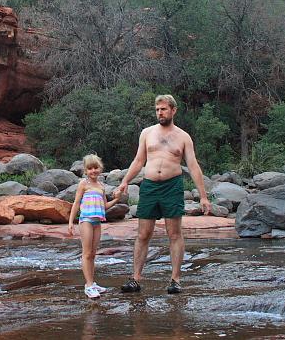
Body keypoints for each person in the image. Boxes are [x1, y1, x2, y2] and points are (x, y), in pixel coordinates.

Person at [115, 94, 211, 294]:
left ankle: (175, 280)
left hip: (172, 186)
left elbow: (193, 166)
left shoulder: (183, 137)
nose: (160, 113)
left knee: (174, 234)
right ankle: (135, 279)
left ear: (173, 110)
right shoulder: (147, 133)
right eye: (157, 109)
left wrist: (203, 196)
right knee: (143, 234)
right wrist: (124, 182)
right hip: (149, 186)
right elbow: (138, 161)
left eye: (164, 109)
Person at [67, 154, 123, 298]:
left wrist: (116, 199)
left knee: (93, 254)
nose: (93, 171)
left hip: (97, 222)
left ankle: (91, 283)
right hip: (85, 220)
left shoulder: (101, 186)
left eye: (96, 168)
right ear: (86, 171)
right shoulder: (83, 184)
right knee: (86, 253)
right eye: (90, 168)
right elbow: (76, 203)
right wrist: (71, 222)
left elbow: (104, 206)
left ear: (100, 169)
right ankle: (89, 286)